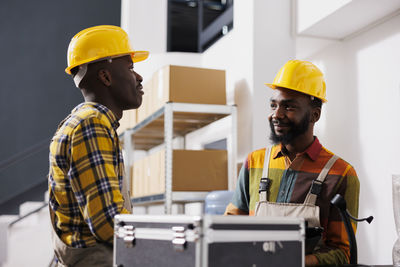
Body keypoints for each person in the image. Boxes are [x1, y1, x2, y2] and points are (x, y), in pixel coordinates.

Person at [225, 60, 360, 266]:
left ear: (315, 114)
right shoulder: (254, 163)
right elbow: (229, 228)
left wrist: (294, 261)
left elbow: (343, 254)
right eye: (274, 105)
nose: (276, 115)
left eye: (288, 106)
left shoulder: (342, 174)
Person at [48, 25, 149, 266]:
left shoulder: (86, 123)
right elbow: (108, 223)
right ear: (105, 76)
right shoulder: (91, 126)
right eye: (131, 68)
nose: (139, 77)